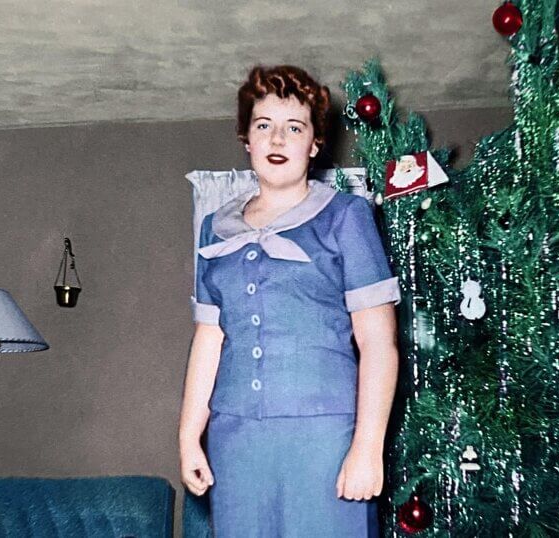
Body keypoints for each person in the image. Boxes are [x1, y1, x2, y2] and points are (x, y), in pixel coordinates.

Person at [178, 65, 400, 537]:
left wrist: (368, 447)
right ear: (247, 139)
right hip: (235, 440)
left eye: (294, 128)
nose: (277, 139)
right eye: (264, 125)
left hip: (325, 439)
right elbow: (209, 338)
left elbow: (379, 343)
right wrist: (188, 435)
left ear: (315, 144)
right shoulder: (214, 228)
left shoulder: (346, 217)